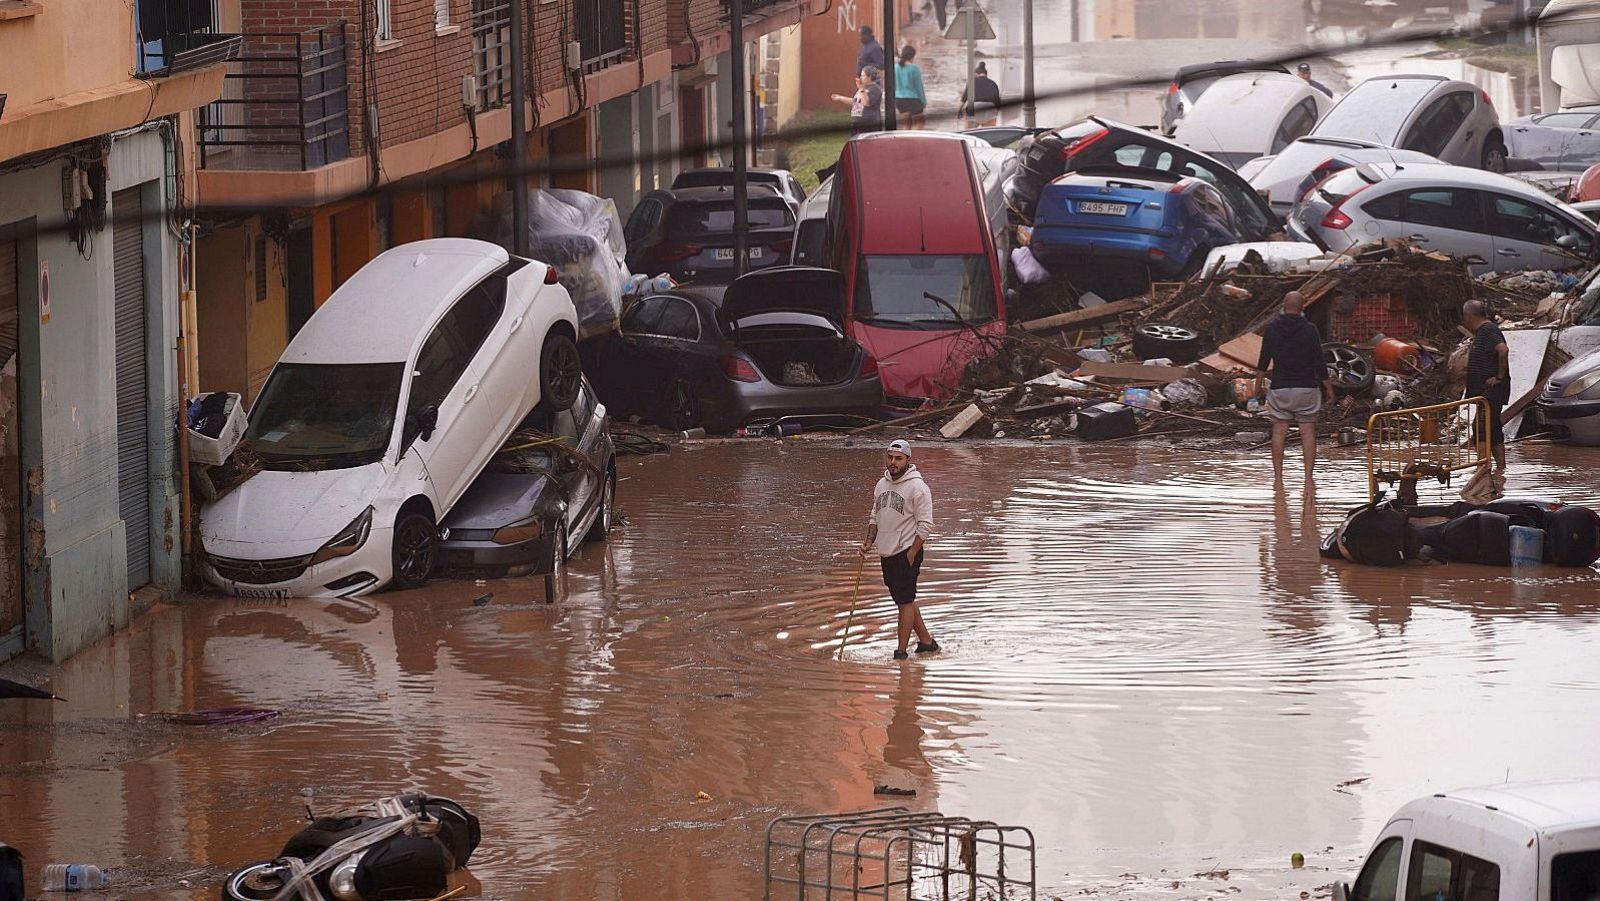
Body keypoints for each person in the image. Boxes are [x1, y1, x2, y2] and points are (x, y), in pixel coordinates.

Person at [860, 439, 938, 661]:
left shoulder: (918, 487)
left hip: (906, 551)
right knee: (905, 599)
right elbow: (875, 516)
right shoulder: (881, 485)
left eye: (898, 459)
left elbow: (926, 525)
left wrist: (912, 553)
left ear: (907, 460)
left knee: (904, 602)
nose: (893, 463)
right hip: (886, 551)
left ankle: (901, 653)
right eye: (890, 457)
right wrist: (868, 542)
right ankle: (926, 643)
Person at [1255, 290, 1335, 483]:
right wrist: (1329, 389)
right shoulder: (1310, 329)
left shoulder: (1272, 329)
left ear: (1283, 305)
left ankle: (1278, 478)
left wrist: (1257, 387)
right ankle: (1308, 477)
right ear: (1302, 307)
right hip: (1306, 388)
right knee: (1307, 431)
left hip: (1280, 388)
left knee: (1279, 430)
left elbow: (1263, 360)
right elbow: (1319, 362)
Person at [1463, 299, 1511, 487]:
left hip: (1491, 392)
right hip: (1486, 392)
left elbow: (1503, 350)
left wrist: (1498, 377)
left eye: (1465, 317)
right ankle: (1500, 470)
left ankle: (1483, 471)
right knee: (1493, 428)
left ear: (1469, 316)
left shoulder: (1488, 330)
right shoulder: (1482, 332)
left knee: (1480, 428)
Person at [832, 67, 884, 135]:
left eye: (863, 75)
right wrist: (840, 98)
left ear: (869, 77)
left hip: (869, 123)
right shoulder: (862, 88)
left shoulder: (875, 89)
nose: (861, 77)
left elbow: (866, 103)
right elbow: (855, 101)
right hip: (858, 122)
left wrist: (862, 89)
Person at [894, 46, 927, 130]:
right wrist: (923, 102)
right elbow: (919, 87)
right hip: (913, 100)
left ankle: (905, 142)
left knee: (906, 125)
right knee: (919, 125)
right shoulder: (914, 68)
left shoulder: (895, 67)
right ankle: (916, 142)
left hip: (899, 100)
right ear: (912, 56)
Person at [960, 62, 1001, 127]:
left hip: (974, 109)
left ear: (976, 74)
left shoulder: (971, 82)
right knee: (989, 134)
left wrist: (959, 112)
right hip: (990, 109)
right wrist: (995, 113)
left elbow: (963, 100)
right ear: (986, 74)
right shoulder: (993, 83)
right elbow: (998, 103)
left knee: (970, 134)